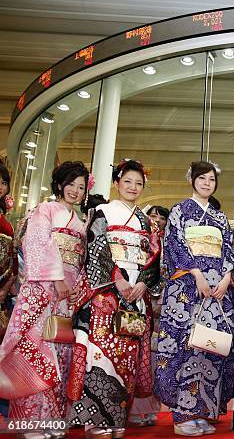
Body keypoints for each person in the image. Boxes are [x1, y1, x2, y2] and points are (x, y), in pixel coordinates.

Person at [67, 159, 161, 439]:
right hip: (107, 296)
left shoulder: (146, 220)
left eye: (139, 183)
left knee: (127, 361)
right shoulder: (102, 212)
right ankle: (95, 421)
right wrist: (118, 280)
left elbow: (154, 255)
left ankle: (117, 418)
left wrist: (143, 283)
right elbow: (97, 249)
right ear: (117, 183)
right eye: (128, 181)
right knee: (101, 358)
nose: (133, 187)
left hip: (136, 298)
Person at [0, 161, 89, 437]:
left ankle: (53, 419)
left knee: (62, 354)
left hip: (67, 295)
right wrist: (57, 279)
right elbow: (37, 244)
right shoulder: (45, 210)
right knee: (39, 350)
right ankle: (33, 422)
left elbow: (81, 259)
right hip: (45, 290)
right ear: (60, 185)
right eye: (71, 184)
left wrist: (76, 289)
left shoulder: (81, 221)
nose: (75, 191)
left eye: (81, 187)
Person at [155, 161, 234, 436]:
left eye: (211, 180)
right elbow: (175, 244)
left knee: (211, 347)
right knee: (186, 346)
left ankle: (202, 411)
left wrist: (226, 278)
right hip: (189, 290)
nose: (206, 183)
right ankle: (181, 416)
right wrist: (196, 273)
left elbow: (228, 250)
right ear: (192, 180)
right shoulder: (179, 210)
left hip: (217, 292)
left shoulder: (220, 218)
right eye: (202, 178)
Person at [128, 205, 169, 427]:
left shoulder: (169, 241)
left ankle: (152, 409)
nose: (157, 220)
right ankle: (133, 410)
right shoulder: (140, 238)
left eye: (161, 217)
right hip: (140, 298)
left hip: (164, 304)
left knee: (156, 359)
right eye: (152, 216)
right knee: (138, 353)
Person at [0, 161, 16, 418]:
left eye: (3, 182)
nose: (0, 187)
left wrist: (6, 287)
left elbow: (11, 257)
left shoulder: (6, 221)